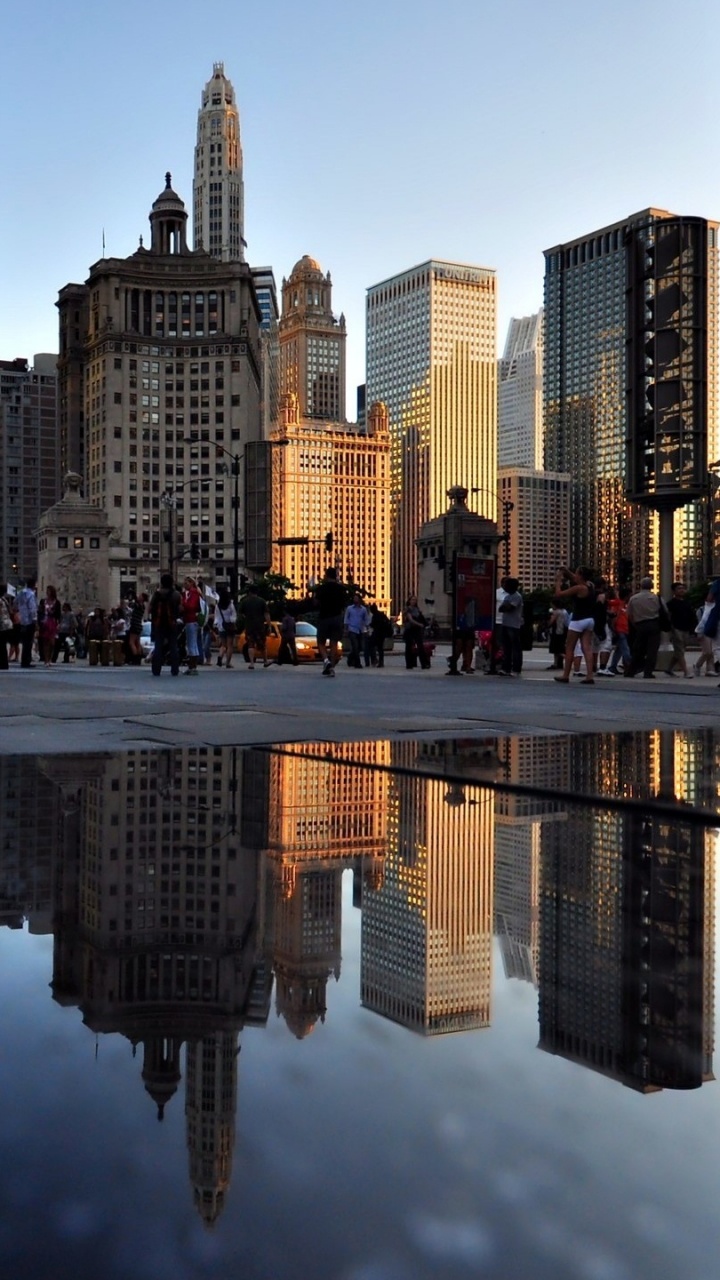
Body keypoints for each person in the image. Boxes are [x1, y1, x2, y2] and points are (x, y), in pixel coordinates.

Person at [553, 566, 596, 684]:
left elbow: (558, 594)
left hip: (578, 620)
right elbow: (574, 578)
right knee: (587, 648)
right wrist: (566, 571)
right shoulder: (590, 585)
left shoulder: (578, 588)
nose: (575, 575)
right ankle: (590, 675)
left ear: (581, 575)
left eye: (577, 573)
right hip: (589, 619)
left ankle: (565, 675)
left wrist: (558, 580)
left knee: (569, 648)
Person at [625, 576, 664, 679]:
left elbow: (629, 614)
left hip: (640, 625)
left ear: (641, 586)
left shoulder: (634, 598)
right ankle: (648, 672)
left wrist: (635, 624)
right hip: (654, 624)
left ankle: (631, 670)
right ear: (651, 586)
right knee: (652, 650)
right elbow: (664, 611)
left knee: (638, 649)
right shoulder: (656, 598)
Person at [314, 567, 348, 677]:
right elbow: (344, 604)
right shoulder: (341, 589)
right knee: (334, 643)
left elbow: (315, 603)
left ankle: (326, 661)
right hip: (337, 617)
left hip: (324, 617)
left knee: (321, 642)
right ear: (336, 576)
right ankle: (332, 668)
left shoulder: (321, 588)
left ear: (326, 575)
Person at [149, 573, 181, 677]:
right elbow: (181, 609)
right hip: (172, 623)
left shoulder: (157, 594)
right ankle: (175, 669)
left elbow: (150, 608)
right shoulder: (176, 594)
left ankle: (156, 669)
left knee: (158, 646)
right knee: (173, 646)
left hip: (159, 623)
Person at [665, 582, 697, 678]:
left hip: (686, 629)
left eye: (683, 588)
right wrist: (671, 628)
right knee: (679, 650)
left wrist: (693, 629)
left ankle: (669, 669)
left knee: (680, 651)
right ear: (674, 591)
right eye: (679, 588)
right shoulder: (670, 604)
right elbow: (668, 617)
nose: (682, 590)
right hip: (676, 629)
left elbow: (692, 616)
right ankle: (686, 672)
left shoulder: (687, 603)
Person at [600, 586, 632, 676]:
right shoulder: (618, 602)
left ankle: (613, 666)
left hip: (625, 629)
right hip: (620, 629)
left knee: (619, 650)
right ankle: (631, 664)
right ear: (626, 596)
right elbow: (608, 603)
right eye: (629, 595)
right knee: (625, 649)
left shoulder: (626, 605)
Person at [239, 585, 270, 669]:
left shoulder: (245, 601)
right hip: (260, 626)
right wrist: (269, 625)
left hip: (249, 626)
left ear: (249, 592)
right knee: (262, 644)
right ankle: (265, 661)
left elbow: (241, 613)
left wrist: (246, 618)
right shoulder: (262, 601)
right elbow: (266, 614)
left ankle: (252, 663)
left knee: (250, 644)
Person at [498, 577, 524, 676]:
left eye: (506, 585)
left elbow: (509, 608)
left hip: (514, 625)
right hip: (506, 623)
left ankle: (516, 669)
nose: (504, 587)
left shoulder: (517, 596)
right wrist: (505, 607)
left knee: (516, 648)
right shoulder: (507, 597)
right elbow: (501, 609)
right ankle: (506, 668)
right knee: (506, 647)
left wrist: (505, 607)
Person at [180, 576, 202, 675]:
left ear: (191, 583)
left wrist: (183, 603)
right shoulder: (190, 593)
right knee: (192, 643)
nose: (184, 585)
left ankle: (192, 666)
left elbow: (191, 606)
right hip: (190, 619)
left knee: (191, 644)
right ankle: (192, 666)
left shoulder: (193, 593)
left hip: (191, 619)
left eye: (186, 583)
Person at [402, 594, 430, 670]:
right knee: (409, 647)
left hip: (417, 630)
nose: (414, 601)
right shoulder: (407, 609)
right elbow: (410, 620)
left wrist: (424, 623)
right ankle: (409, 664)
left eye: (415, 600)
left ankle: (424, 664)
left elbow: (421, 618)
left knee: (420, 646)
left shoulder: (417, 609)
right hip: (409, 629)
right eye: (412, 600)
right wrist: (419, 624)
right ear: (409, 601)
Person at [15, 576, 38, 669]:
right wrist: (35, 619)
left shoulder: (21, 593)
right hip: (29, 620)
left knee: (24, 642)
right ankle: (26, 661)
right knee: (29, 642)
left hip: (22, 620)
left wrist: (20, 611)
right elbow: (32, 608)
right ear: (33, 585)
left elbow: (15, 602)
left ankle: (24, 660)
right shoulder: (31, 594)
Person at [344, 592, 370, 668]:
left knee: (359, 647)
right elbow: (346, 619)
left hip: (360, 630)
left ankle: (350, 658)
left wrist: (367, 629)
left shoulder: (363, 609)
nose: (355, 599)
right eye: (354, 598)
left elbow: (366, 619)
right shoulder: (349, 608)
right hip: (352, 629)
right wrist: (346, 629)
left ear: (359, 599)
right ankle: (357, 663)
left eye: (356, 598)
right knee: (355, 646)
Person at [38, 585, 61, 666]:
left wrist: (58, 623)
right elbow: (40, 611)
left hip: (53, 622)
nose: (47, 592)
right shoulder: (43, 601)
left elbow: (58, 614)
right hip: (44, 622)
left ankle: (50, 658)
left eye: (49, 591)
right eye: (47, 591)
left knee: (52, 642)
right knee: (45, 641)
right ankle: (46, 659)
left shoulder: (56, 602)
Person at [214, 586, 237, 668]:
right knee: (230, 645)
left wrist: (217, 624)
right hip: (229, 626)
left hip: (221, 626)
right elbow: (233, 615)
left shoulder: (218, 606)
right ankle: (228, 663)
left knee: (223, 645)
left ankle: (220, 656)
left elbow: (216, 617)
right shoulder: (230, 605)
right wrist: (231, 620)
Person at [368, 603, 392, 668]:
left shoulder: (375, 616)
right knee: (380, 648)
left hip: (377, 633)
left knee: (371, 645)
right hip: (382, 634)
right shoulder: (382, 614)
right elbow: (388, 621)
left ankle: (375, 659)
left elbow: (373, 624)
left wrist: (369, 625)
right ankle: (381, 662)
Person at [127, 593, 147, 665]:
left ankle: (135, 658)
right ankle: (138, 657)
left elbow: (131, 605)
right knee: (137, 642)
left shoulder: (137, 605)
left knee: (131, 642)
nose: (138, 597)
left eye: (140, 596)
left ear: (142, 598)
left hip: (134, 625)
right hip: (139, 625)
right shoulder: (143, 606)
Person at [547, 604, 569, 669]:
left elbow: (551, 621)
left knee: (556, 649)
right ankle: (556, 663)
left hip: (556, 632)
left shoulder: (556, 612)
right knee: (559, 649)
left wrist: (548, 624)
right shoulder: (564, 611)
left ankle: (569, 659)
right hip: (562, 631)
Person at [0, 583, 14, 670]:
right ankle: (4, 663)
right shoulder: (4, 599)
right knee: (3, 644)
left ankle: (3, 663)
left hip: (1, 624)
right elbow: (10, 611)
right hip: (8, 623)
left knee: (1, 645)